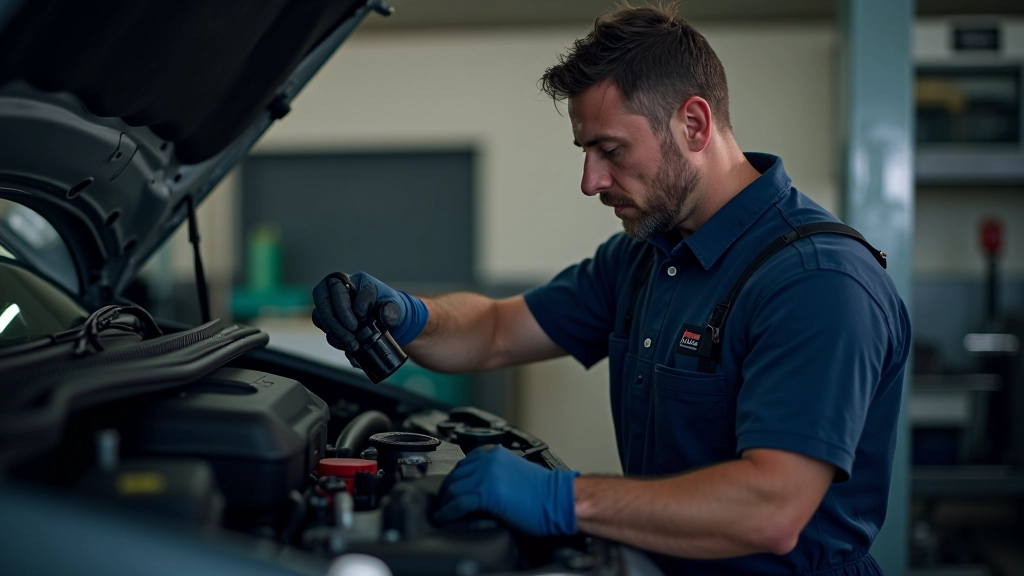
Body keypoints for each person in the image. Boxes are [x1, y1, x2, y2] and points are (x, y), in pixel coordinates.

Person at [312, 5, 911, 575]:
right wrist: (410, 317)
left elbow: (771, 509)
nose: (590, 181)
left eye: (611, 151)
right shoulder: (645, 258)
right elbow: (495, 331)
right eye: (585, 151)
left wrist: (562, 498)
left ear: (694, 124)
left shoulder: (814, 281)